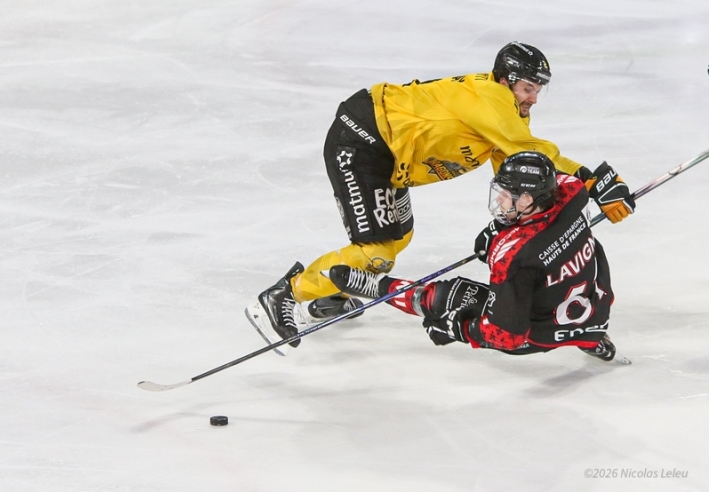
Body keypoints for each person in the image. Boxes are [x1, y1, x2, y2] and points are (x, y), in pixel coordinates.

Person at [251, 42, 635, 349]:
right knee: (377, 251)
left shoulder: (505, 108)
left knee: (393, 239)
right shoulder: (493, 99)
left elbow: (524, 164)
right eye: (528, 88)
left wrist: (582, 188)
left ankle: (333, 290)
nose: (533, 98)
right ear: (507, 81)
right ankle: (286, 293)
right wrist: (592, 181)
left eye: (537, 90)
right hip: (365, 140)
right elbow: (530, 149)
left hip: (386, 150)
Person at [328, 151, 621, 361]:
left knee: (445, 299)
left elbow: (509, 335)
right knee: (578, 264)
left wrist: (461, 329)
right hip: (596, 312)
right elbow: (566, 179)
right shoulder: (572, 192)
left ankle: (377, 287)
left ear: (528, 200)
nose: (500, 199)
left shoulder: (514, 255)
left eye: (507, 195)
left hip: (539, 334)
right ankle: (590, 337)